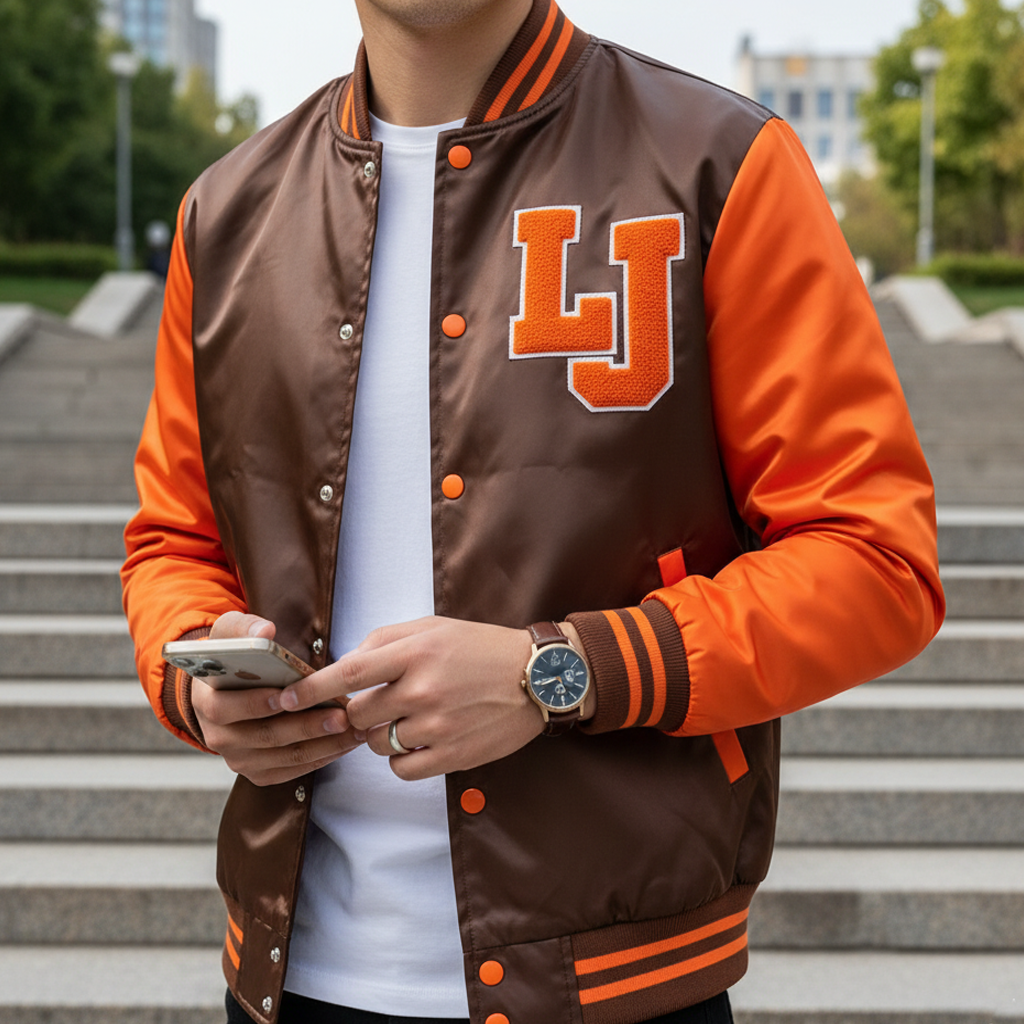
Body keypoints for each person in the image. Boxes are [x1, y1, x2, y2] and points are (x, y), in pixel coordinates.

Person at [121, 1, 945, 1023]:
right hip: (289, 977)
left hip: (619, 984)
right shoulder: (229, 209)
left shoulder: (719, 164)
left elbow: (875, 557)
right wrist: (199, 670)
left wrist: (555, 669)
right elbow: (174, 539)